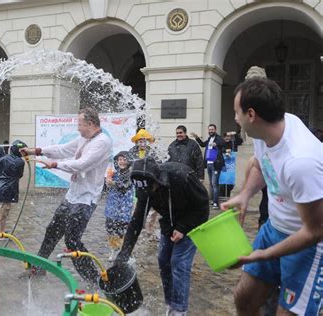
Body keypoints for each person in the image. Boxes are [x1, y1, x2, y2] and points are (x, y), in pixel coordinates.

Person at [221, 77, 323, 315]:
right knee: (244, 299)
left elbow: (316, 230)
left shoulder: (301, 162)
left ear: (251, 115)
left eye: (237, 112)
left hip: (309, 245)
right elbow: (261, 164)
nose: (235, 118)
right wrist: (245, 194)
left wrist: (263, 255)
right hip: (273, 229)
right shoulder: (267, 131)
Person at [21, 107, 112, 283]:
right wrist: (35, 151)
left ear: (90, 124)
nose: (78, 128)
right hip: (73, 195)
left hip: (86, 198)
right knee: (52, 231)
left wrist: (55, 165)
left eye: (80, 124)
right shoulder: (84, 139)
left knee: (72, 241)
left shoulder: (102, 142)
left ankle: (94, 280)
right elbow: (62, 149)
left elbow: (81, 164)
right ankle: (39, 268)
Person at [115, 157, 209, 315]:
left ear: (157, 180)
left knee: (178, 262)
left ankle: (179, 309)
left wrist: (182, 228)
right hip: (168, 223)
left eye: (149, 190)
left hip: (191, 221)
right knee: (163, 260)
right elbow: (137, 221)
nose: (146, 194)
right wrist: (124, 254)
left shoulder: (181, 177)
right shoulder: (144, 187)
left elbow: (203, 206)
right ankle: (170, 304)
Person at [104, 151, 134, 261]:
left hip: (124, 206)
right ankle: (114, 248)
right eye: (120, 159)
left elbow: (125, 186)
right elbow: (106, 188)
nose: (122, 162)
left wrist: (113, 184)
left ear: (128, 161)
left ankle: (123, 250)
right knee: (110, 226)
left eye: (124, 159)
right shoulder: (114, 173)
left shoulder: (131, 173)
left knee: (121, 228)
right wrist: (107, 182)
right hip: (112, 205)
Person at [191, 124, 225, 209]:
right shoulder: (209, 139)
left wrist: (216, 144)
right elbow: (202, 144)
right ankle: (214, 200)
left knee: (215, 184)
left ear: (215, 130)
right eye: (209, 130)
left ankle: (216, 203)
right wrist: (197, 137)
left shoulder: (218, 138)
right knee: (211, 184)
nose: (210, 131)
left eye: (212, 129)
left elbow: (223, 143)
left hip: (216, 164)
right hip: (209, 164)